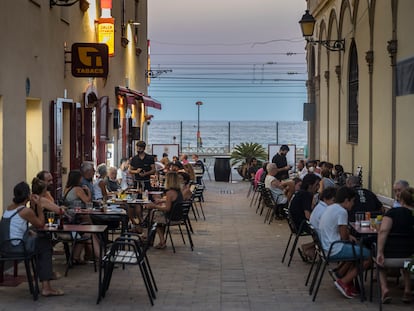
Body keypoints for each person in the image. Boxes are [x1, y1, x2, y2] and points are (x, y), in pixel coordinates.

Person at [2, 182, 64, 297]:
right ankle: (46, 287)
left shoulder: (9, 208)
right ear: (27, 195)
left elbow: (15, 227)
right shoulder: (25, 211)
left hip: (6, 246)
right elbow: (40, 224)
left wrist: (27, 232)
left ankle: (45, 275)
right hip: (17, 247)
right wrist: (39, 206)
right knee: (45, 245)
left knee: (38, 240)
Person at [318, 186, 371, 299]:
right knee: (368, 257)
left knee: (356, 251)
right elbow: (344, 237)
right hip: (334, 248)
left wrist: (348, 236)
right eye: (352, 201)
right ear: (346, 200)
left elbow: (340, 232)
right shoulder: (342, 212)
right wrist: (349, 236)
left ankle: (340, 274)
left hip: (326, 246)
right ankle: (344, 281)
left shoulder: (331, 207)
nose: (353, 204)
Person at [376, 187, 414, 304]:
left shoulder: (392, 213)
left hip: (389, 258)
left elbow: (383, 231)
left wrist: (380, 251)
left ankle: (384, 289)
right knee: (407, 264)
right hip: (411, 259)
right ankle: (407, 289)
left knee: (379, 263)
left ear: (401, 200)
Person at [146, 172, 184, 249]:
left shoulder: (170, 193)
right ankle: (160, 240)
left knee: (153, 217)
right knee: (157, 216)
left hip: (171, 217)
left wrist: (154, 206)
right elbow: (173, 202)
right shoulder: (179, 192)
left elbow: (167, 208)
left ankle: (157, 240)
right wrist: (162, 201)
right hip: (179, 216)